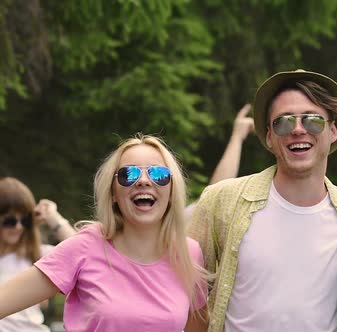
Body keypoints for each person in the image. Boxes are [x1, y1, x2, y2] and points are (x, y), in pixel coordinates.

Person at [187, 69, 337, 332]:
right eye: (283, 122)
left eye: (312, 121)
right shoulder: (221, 200)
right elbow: (185, 294)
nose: (298, 130)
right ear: (269, 137)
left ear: (332, 131)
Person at [0, 134, 209, 332]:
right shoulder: (84, 247)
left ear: (172, 191)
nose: (144, 181)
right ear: (113, 194)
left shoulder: (189, 253)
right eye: (129, 174)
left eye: (159, 174)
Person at [0, 178, 76, 332]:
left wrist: (53, 218)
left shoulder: (39, 255)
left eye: (25, 220)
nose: (19, 227)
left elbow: (83, 252)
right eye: (10, 221)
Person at [184, 103, 255, 219]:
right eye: (141, 172)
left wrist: (237, 136)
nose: (144, 181)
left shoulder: (173, 225)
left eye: (158, 173)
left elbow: (214, 196)